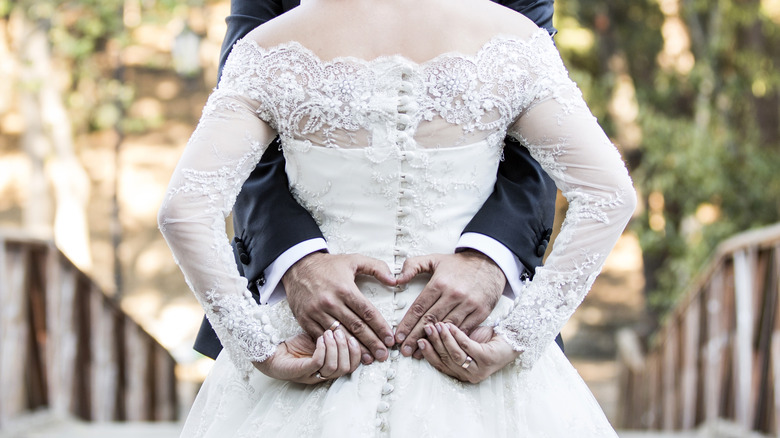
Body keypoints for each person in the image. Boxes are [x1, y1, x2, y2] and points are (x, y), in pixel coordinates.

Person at [158, 0, 637, 435]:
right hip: (463, 344)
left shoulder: (268, 48)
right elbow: (610, 195)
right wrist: (519, 336)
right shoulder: (513, 41)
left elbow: (183, 212)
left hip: (324, 347)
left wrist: (258, 349)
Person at [192, 0, 561, 365]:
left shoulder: (520, 40)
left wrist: (490, 262)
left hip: (483, 316)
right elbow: (239, 146)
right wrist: (295, 262)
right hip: (304, 318)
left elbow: (542, 142)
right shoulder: (264, 48)